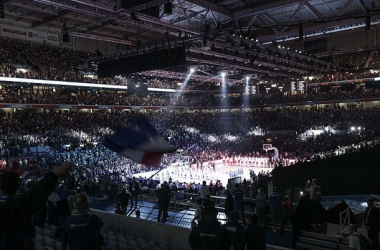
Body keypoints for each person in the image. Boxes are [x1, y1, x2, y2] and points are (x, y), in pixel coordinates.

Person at [0, 162, 74, 250]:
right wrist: (54, 175)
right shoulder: (17, 209)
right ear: (18, 185)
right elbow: (33, 197)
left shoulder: (10, 207)